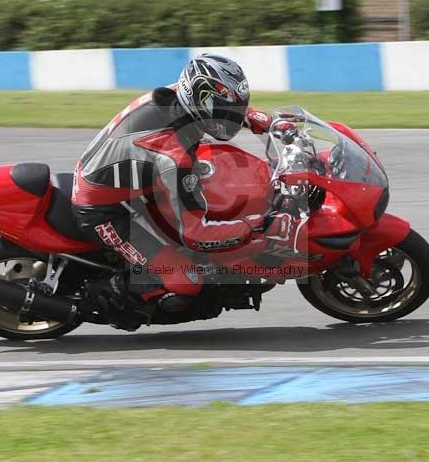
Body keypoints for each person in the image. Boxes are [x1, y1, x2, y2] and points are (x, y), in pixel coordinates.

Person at [70, 54, 292, 325]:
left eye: (234, 108)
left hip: (134, 184)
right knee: (186, 281)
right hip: (107, 210)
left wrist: (264, 120)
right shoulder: (173, 157)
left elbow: (218, 106)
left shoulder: (178, 95)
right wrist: (259, 225)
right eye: (225, 110)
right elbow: (195, 235)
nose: (231, 118)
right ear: (198, 98)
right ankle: (111, 299)